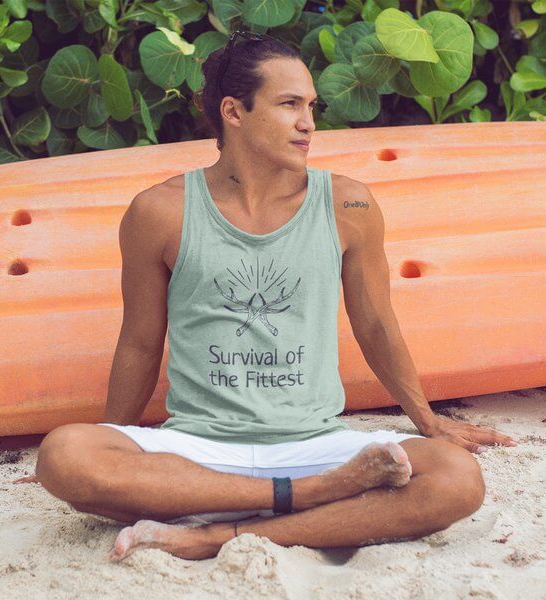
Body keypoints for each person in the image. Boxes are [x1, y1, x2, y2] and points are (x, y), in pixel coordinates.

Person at [29, 30, 518, 562]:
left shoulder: (348, 205)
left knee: (456, 478)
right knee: (65, 455)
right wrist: (113, 444)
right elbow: (140, 343)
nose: (308, 123)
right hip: (201, 450)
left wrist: (426, 419)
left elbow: (376, 324)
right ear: (234, 112)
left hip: (314, 444)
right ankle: (304, 502)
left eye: (311, 106)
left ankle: (220, 535)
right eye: (289, 105)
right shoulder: (159, 212)